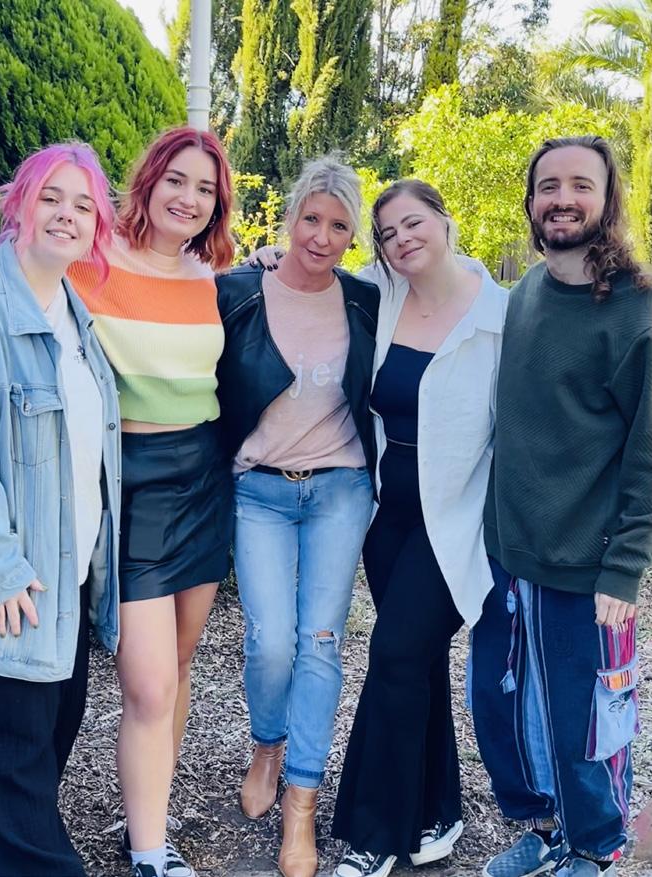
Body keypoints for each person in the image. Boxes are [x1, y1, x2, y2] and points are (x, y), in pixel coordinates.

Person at [248, 179, 508, 877]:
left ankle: (376, 834)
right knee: (416, 659)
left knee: (393, 654)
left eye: (413, 223)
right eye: (388, 233)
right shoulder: (380, 297)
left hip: (456, 519)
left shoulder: (501, 316)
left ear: (445, 221)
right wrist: (269, 257)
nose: (401, 240)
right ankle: (437, 809)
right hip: (388, 515)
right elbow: (312, 273)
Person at [473, 135, 652, 877]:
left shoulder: (638, 312)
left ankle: (597, 844)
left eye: (581, 185)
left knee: (588, 718)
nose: (563, 199)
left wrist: (625, 566)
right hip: (507, 553)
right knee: (506, 707)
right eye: (549, 186)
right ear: (531, 201)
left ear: (607, 200)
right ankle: (544, 826)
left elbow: (647, 453)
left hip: (586, 562)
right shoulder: (524, 295)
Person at [69, 127, 236, 877]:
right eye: (177, 180)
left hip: (202, 479)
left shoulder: (212, 276)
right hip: (131, 485)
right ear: (149, 181)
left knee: (181, 660)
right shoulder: (91, 259)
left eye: (205, 189)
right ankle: (148, 855)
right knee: (148, 681)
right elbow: (13, 273)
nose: (188, 199)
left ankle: (149, 818)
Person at [215, 155, 379, 877]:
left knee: (319, 642)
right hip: (260, 491)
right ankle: (267, 745)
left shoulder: (366, 300)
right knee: (268, 642)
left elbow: (444, 284)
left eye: (338, 225)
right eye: (311, 218)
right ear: (289, 218)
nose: (321, 236)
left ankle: (302, 801)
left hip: (340, 489)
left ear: (352, 236)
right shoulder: (238, 291)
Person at [0, 143, 120, 877]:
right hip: (10, 591)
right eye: (51, 197)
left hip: (66, 587)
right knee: (14, 799)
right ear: (17, 203)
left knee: (41, 754)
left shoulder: (73, 314)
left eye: (84, 205)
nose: (66, 215)